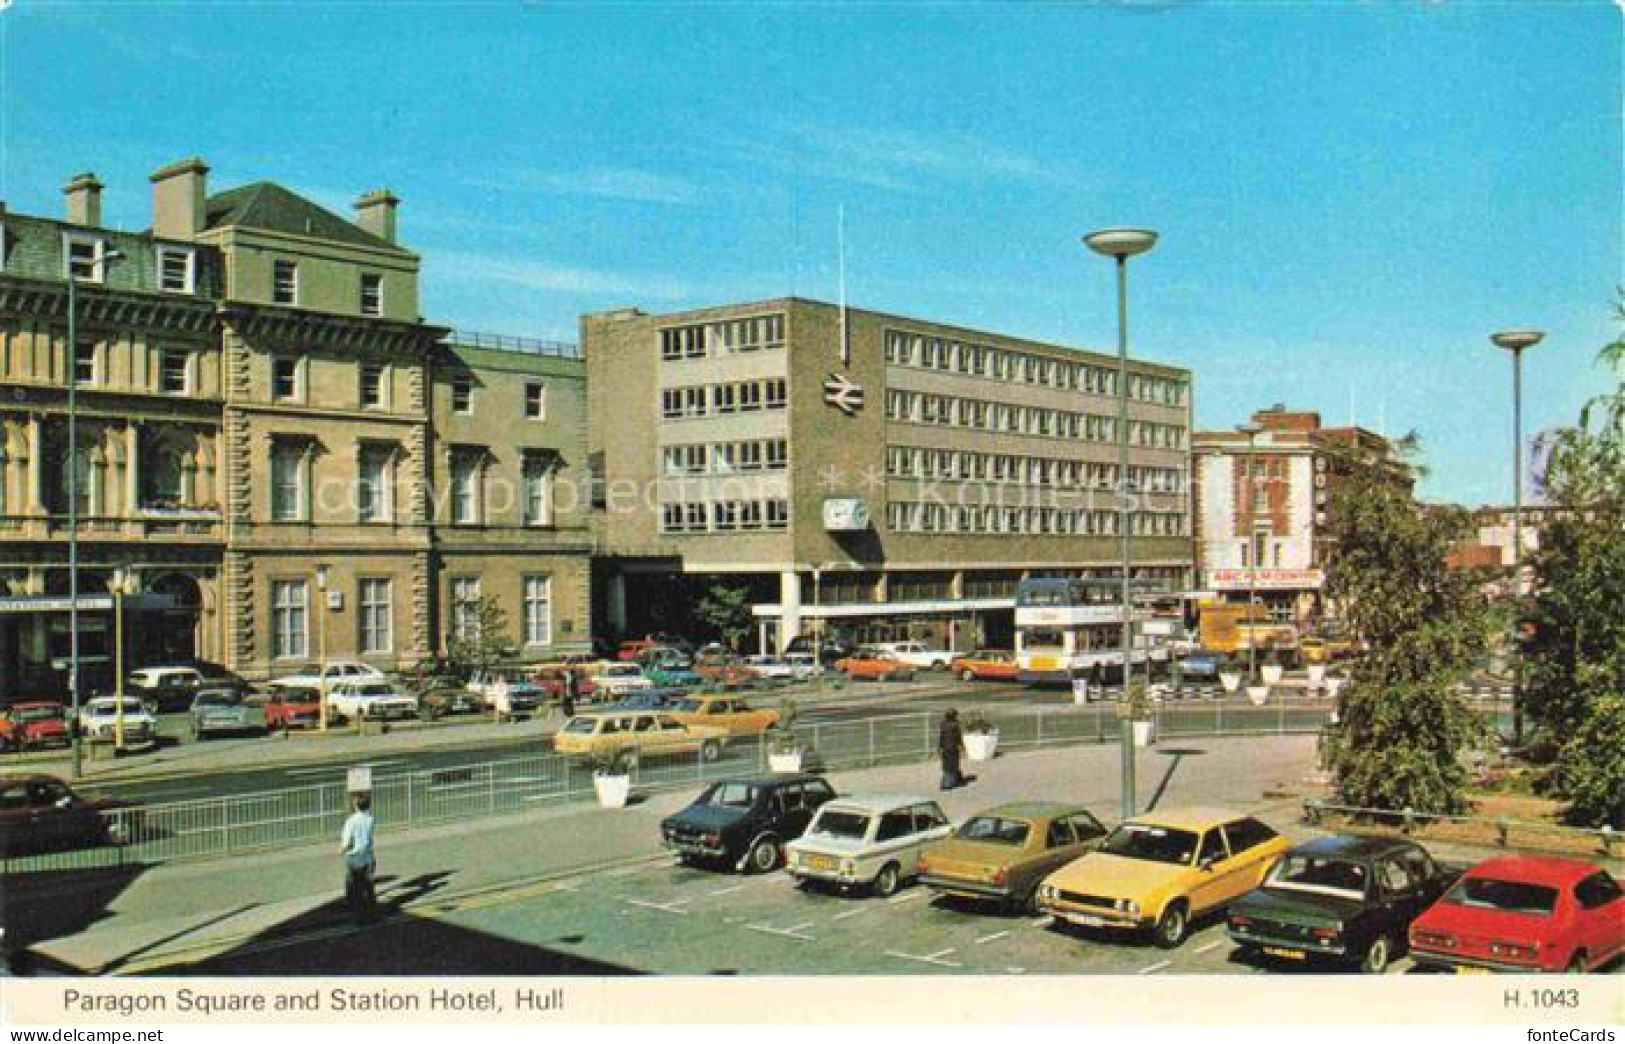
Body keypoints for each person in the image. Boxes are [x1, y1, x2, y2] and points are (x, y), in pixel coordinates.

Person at [340, 793, 376, 923]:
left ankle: (358, 914)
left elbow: (347, 842)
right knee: (368, 886)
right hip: (367, 854)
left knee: (355, 887)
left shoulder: (351, 821)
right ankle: (372, 913)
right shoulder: (370, 819)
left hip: (354, 856)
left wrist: (341, 851)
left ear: (355, 805)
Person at [938, 709, 966, 791]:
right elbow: (958, 737)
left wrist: (939, 747)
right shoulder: (955, 725)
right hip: (953, 748)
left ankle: (946, 782)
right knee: (953, 765)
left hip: (945, 748)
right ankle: (949, 783)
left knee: (947, 766)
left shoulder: (943, 724)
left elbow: (941, 737)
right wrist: (962, 746)